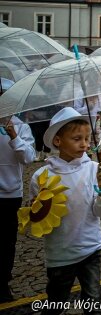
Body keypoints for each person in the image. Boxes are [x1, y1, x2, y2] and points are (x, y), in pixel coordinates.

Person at [34, 107, 101, 315]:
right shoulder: (42, 176)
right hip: (61, 253)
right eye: (77, 139)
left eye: (87, 139)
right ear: (58, 141)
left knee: (93, 305)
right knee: (56, 302)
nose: (85, 144)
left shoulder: (95, 170)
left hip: (91, 248)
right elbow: (39, 219)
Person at [0, 112, 36, 302]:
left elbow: (29, 157)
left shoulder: (20, 126)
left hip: (10, 193)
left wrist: (14, 137)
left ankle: (3, 281)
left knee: (7, 241)